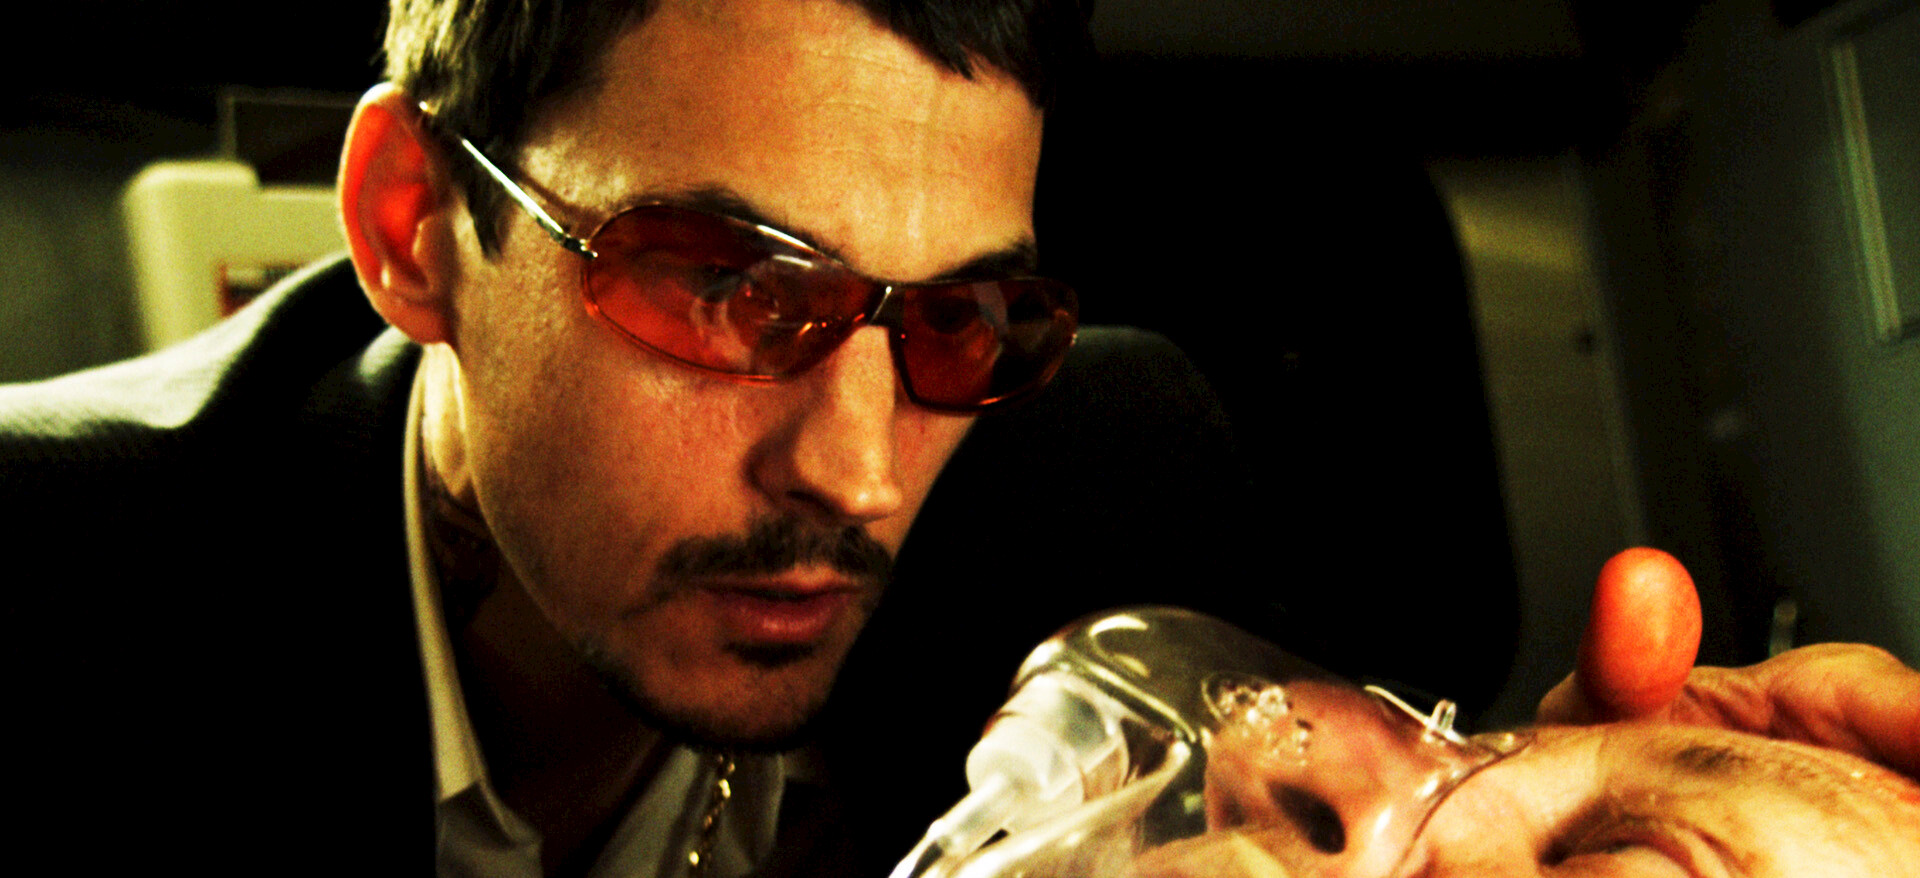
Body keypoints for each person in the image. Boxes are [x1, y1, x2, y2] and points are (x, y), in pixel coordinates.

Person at [2, 2, 1912, 878]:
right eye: (728, 290)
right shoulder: (59, 590)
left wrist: (1512, 821)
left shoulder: (1099, 477)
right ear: (416, 226)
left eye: (957, 319)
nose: (855, 472)